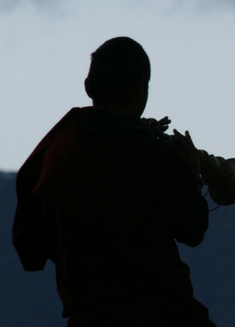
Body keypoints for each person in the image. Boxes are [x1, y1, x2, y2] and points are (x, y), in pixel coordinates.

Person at [13, 37, 216, 326]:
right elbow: (193, 229)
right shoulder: (153, 154)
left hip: (88, 315)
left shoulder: (58, 151)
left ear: (88, 87)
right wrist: (192, 171)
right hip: (161, 314)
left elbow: (37, 243)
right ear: (139, 90)